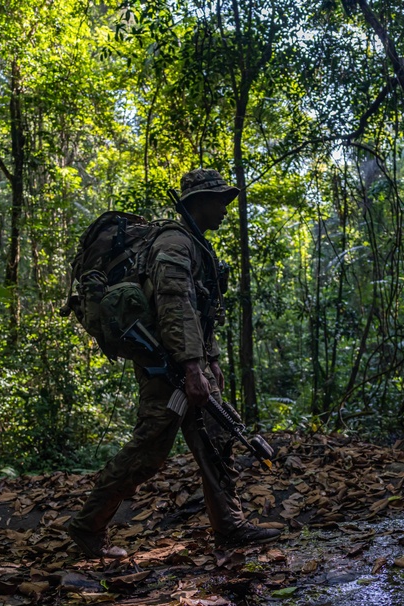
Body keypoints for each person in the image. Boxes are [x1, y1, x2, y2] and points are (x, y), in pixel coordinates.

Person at [67, 168, 281, 559]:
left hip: (184, 364)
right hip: (166, 368)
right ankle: (87, 527)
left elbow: (199, 312)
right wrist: (191, 366)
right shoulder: (174, 244)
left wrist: (208, 360)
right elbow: (173, 305)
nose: (225, 208)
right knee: (148, 452)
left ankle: (230, 524)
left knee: (216, 438)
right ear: (198, 203)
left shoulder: (194, 244)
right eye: (219, 200)